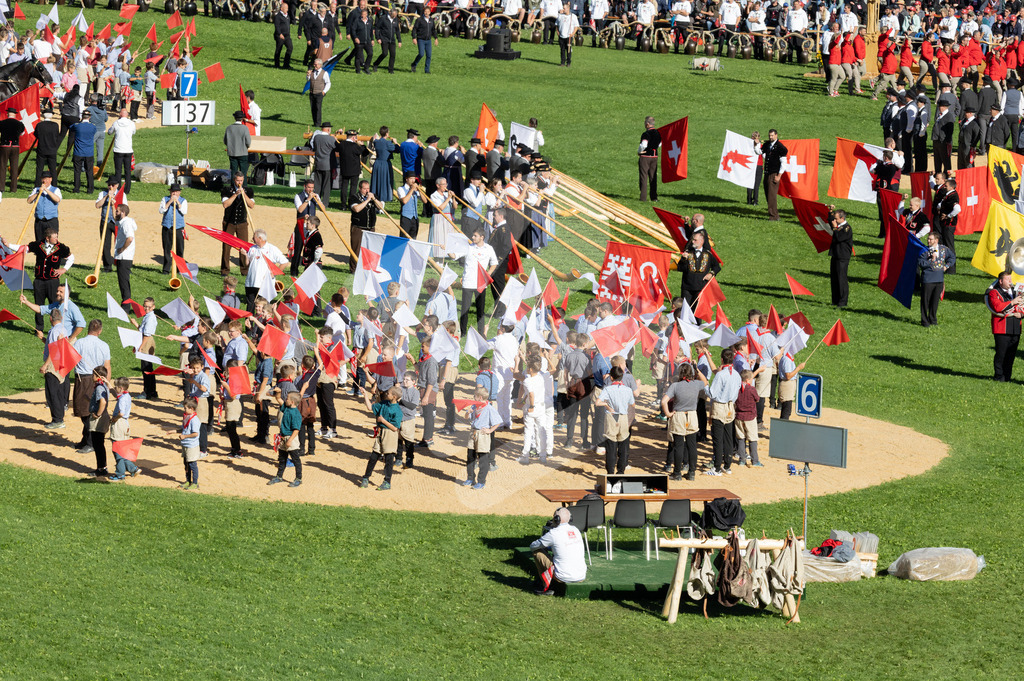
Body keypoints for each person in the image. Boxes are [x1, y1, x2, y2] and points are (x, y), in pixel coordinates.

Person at [72, 320, 112, 457]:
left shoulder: (80, 343)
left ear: (88, 329)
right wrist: (107, 382)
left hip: (84, 379)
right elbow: (107, 366)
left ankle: (90, 443)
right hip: (99, 378)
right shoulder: (104, 345)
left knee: (85, 411)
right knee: (87, 409)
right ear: (100, 331)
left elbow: (71, 358)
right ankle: (86, 439)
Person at [661, 363, 706, 481]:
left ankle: (677, 473)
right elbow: (705, 382)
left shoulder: (675, 386)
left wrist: (668, 414)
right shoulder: (696, 384)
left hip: (679, 416)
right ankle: (691, 472)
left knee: (679, 445)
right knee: (692, 446)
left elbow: (664, 401)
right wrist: (697, 371)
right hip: (692, 415)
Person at [529, 507, 586, 596]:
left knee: (537, 552)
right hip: (581, 576)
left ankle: (545, 585)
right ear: (570, 518)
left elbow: (533, 546)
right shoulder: (576, 530)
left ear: (556, 519)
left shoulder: (553, 533)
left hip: (562, 576)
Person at [26, 227, 72, 333]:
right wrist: (8, 245)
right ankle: (39, 329)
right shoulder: (38, 245)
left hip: (53, 282)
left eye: (57, 236)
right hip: (39, 281)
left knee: (55, 304)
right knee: (38, 304)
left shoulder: (61, 248)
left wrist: (64, 269)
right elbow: (24, 249)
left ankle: (57, 327)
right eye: (54, 237)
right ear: (47, 238)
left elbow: (71, 257)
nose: (57, 239)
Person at [456, 225, 498, 336]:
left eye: (475, 236)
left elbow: (494, 263)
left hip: (481, 284)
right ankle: (463, 332)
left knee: (481, 310)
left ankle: (481, 332)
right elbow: (454, 255)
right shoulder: (468, 247)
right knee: (465, 309)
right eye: (473, 235)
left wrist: (487, 275)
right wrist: (448, 249)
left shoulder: (489, 249)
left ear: (482, 237)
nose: (473, 237)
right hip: (468, 283)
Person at [594, 364, 635, 474]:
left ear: (611, 377)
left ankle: (610, 472)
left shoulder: (608, 389)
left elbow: (597, 403)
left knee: (611, 447)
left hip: (611, 417)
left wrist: (606, 405)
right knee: (623, 447)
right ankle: (621, 472)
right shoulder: (628, 390)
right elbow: (632, 404)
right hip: (623, 418)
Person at [360, 385, 402, 490]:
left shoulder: (397, 410)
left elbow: (395, 428)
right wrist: (365, 395)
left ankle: (387, 482)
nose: (386, 394)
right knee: (374, 456)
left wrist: (382, 421)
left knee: (389, 458)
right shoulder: (384, 403)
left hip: (390, 435)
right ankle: (366, 477)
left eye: (388, 393)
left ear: (394, 397)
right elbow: (370, 407)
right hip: (381, 432)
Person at [706, 348, 740, 477]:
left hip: (719, 407)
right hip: (731, 406)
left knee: (718, 438)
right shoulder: (736, 374)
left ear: (721, 359)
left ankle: (717, 468)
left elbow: (713, 393)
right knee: (728, 437)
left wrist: (705, 386)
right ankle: (727, 465)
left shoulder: (721, 375)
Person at [988, 271, 1023, 382]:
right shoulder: (994, 292)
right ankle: (999, 376)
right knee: (1001, 354)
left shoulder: (1015, 292)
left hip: (1015, 327)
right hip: (1001, 328)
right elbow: (997, 307)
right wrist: (1013, 302)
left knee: (1011, 355)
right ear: (1001, 281)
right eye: (1008, 280)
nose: (1010, 282)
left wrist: (1021, 314)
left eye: (1010, 279)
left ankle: (1007, 377)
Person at [221, 172, 255, 276]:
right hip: (229, 223)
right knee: (226, 247)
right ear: (234, 180)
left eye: (241, 180)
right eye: (237, 180)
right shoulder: (227, 190)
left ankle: (244, 270)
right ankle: (225, 270)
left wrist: (244, 194)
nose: (239, 182)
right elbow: (225, 204)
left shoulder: (248, 190)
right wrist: (235, 194)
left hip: (242, 223)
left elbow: (251, 205)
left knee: (244, 247)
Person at [919, 231, 955, 328]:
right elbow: (921, 264)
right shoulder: (924, 251)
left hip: (939, 280)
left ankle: (933, 319)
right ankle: (924, 320)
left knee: (935, 301)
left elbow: (952, 257)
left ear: (936, 240)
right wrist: (932, 261)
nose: (928, 240)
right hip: (928, 279)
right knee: (925, 301)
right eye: (928, 239)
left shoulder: (943, 249)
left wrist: (946, 266)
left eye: (930, 239)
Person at [676, 228, 720, 305]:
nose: (693, 241)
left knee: (698, 313)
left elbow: (717, 267)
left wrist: (711, 273)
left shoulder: (708, 254)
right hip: (687, 288)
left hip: (701, 287)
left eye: (695, 240)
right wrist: (683, 259)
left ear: (701, 241)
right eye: (693, 240)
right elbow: (680, 268)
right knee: (685, 311)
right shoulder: (688, 253)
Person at [107, 377, 139, 481]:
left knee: (117, 450)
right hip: (125, 424)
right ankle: (132, 468)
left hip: (119, 423)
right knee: (122, 449)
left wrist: (114, 419)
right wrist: (108, 383)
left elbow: (121, 413)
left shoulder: (122, 399)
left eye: (116, 387)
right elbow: (115, 393)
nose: (115, 388)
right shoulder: (127, 395)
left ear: (120, 388)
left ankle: (120, 474)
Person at [167, 397, 202, 490]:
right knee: (186, 464)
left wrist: (185, 436)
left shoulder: (194, 420)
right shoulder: (187, 417)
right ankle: (188, 481)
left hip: (192, 446)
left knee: (192, 464)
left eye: (185, 408)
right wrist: (174, 431)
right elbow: (184, 429)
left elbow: (195, 433)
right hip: (185, 444)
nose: (184, 410)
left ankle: (195, 483)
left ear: (192, 408)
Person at [756, 129, 787, 221]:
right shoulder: (767, 144)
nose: (770, 137)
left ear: (776, 135)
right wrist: (756, 143)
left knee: (771, 195)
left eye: (772, 135)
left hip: (774, 173)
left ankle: (773, 216)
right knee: (767, 194)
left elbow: (784, 163)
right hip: (767, 173)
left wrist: (779, 176)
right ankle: (774, 214)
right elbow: (759, 152)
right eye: (769, 135)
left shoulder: (781, 147)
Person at [159, 183, 187, 275]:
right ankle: (166, 269)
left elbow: (184, 211)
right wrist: (170, 202)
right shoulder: (165, 199)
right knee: (167, 248)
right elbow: (161, 210)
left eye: (176, 192)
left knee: (180, 249)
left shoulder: (183, 201)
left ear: (179, 192)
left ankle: (180, 269)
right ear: (170, 192)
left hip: (178, 228)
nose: (174, 194)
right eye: (173, 192)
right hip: (167, 227)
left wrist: (178, 202)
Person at [350, 179, 377, 272]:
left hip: (370, 227)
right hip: (358, 227)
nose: (367, 191)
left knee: (370, 249)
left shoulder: (372, 196)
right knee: (356, 249)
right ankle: (354, 269)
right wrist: (368, 200)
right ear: (360, 188)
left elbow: (381, 207)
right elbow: (356, 209)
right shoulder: (354, 197)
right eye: (365, 189)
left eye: (368, 188)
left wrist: (374, 199)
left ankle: (367, 268)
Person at [107, 109, 136, 194]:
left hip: (118, 150)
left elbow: (110, 132)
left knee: (118, 170)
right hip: (128, 150)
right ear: (127, 115)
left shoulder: (116, 123)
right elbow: (133, 132)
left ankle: (118, 188)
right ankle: (127, 189)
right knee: (127, 171)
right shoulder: (131, 123)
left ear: (120, 114)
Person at [67, 110, 95, 195]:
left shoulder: (77, 126)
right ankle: (90, 189)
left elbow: (71, 128)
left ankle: (76, 188)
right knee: (89, 171)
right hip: (89, 152)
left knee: (77, 171)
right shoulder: (93, 127)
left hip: (78, 152)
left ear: (82, 116)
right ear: (89, 117)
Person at [829, 209, 852, 308]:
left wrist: (834, 228)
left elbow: (839, 238)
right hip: (835, 255)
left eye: (836, 218)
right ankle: (835, 300)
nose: (834, 220)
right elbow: (830, 222)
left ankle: (843, 301)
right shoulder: (838, 226)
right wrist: (830, 212)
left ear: (842, 218)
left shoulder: (847, 228)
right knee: (834, 278)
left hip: (843, 257)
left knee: (841, 279)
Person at [29, 172, 62, 242]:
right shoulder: (36, 189)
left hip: (51, 221)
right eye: (43, 179)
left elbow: (57, 199)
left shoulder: (56, 190)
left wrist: (46, 190)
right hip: (39, 221)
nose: (45, 181)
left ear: (51, 179)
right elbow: (29, 201)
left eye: (47, 179)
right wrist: (38, 193)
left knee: (52, 242)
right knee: (39, 242)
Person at [310, 121, 337, 206]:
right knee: (326, 185)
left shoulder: (317, 137)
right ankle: (325, 203)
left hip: (318, 163)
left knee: (317, 185)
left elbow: (314, 147)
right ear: (329, 129)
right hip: (327, 165)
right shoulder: (331, 139)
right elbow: (336, 148)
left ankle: (315, 201)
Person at [0, 107, 24, 193]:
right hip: (15, 146)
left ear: (7, 114)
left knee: (2, 167)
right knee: (14, 167)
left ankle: (1, 187)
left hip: (4, 146)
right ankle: (13, 188)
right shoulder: (19, 124)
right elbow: (21, 133)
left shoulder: (2, 123)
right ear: (15, 114)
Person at [638, 115, 660, 202]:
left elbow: (643, 145)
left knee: (644, 177)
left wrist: (640, 151)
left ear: (647, 124)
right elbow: (659, 144)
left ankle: (643, 198)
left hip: (645, 157)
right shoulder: (658, 133)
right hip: (654, 157)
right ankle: (654, 197)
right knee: (653, 177)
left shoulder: (646, 134)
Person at [224, 111, 252, 179]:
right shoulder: (244, 128)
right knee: (243, 172)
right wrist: (247, 147)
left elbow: (225, 141)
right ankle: (243, 187)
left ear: (234, 118)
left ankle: (233, 187)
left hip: (232, 153)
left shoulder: (229, 128)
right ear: (242, 118)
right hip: (243, 153)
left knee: (233, 172)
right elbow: (248, 142)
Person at [34, 111, 60, 186]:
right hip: (52, 149)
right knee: (53, 169)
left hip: (41, 149)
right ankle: (54, 184)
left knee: (39, 168)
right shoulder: (55, 125)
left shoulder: (39, 125)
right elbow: (56, 135)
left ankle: (37, 184)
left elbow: (36, 135)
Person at [374, 6, 401, 74]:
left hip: (392, 40)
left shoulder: (395, 20)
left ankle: (391, 69)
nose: (394, 17)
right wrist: (378, 38)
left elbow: (397, 30)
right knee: (384, 53)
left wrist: (399, 40)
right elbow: (377, 28)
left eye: (395, 16)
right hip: (384, 39)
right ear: (390, 13)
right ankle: (376, 64)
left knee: (393, 54)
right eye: (393, 15)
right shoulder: (383, 18)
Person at [411, 7, 438, 74]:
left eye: (428, 11)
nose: (426, 13)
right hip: (421, 39)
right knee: (421, 54)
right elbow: (414, 29)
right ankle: (414, 64)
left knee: (429, 55)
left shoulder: (431, 20)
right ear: (423, 12)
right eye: (425, 11)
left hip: (428, 40)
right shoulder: (419, 20)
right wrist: (414, 38)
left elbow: (433, 30)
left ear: (430, 12)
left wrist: (436, 38)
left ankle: (427, 70)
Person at [306, 58, 331, 127]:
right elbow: (308, 79)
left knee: (318, 108)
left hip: (319, 93)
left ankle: (318, 123)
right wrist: (308, 75)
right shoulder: (312, 72)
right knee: (313, 108)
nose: (314, 65)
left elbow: (328, 83)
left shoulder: (324, 73)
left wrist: (324, 91)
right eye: (314, 64)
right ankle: (315, 122)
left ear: (320, 65)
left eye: (316, 64)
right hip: (312, 93)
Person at [396, 172, 421, 239]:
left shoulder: (416, 190)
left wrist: (420, 191)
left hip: (415, 218)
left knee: (413, 239)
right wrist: (412, 189)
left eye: (414, 178)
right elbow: (404, 201)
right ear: (406, 179)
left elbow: (425, 201)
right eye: (411, 178)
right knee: (404, 238)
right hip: (406, 218)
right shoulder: (401, 189)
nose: (413, 180)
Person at [932, 100, 954, 175]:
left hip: (943, 141)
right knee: (937, 159)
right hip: (937, 140)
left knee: (945, 160)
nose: (939, 107)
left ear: (944, 107)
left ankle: (947, 175)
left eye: (940, 106)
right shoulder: (940, 115)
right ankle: (938, 174)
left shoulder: (949, 116)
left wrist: (946, 141)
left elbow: (950, 131)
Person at [351, 7, 374, 75]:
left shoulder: (369, 21)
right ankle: (358, 69)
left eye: (364, 14)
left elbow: (371, 31)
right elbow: (353, 30)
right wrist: (355, 37)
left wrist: (372, 39)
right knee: (358, 56)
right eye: (362, 14)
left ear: (367, 14)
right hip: (359, 42)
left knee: (370, 53)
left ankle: (366, 67)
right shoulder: (357, 21)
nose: (363, 15)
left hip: (367, 41)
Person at [274, 2, 293, 69]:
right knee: (278, 49)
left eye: (287, 8)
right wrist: (279, 34)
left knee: (290, 48)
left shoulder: (287, 16)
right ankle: (276, 65)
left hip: (287, 36)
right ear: (281, 8)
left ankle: (286, 64)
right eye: (285, 8)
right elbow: (277, 26)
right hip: (280, 35)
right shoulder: (278, 16)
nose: (287, 10)